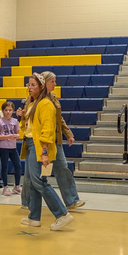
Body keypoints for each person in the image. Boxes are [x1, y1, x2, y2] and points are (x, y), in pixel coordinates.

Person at [19, 74, 73, 230]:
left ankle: (62, 214)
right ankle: (34, 217)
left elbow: (47, 131)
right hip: (30, 145)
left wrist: (44, 152)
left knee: (39, 181)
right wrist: (23, 118)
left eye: (33, 85)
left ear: (41, 87)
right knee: (31, 180)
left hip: (40, 147)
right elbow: (27, 128)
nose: (30, 87)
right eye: (28, 84)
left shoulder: (46, 104)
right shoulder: (32, 104)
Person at [40, 71, 86, 210]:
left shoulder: (53, 97)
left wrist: (68, 133)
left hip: (55, 139)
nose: (55, 84)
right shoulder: (35, 98)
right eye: (52, 81)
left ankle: (71, 200)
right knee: (40, 173)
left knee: (62, 168)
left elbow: (59, 119)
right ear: (45, 83)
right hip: (42, 140)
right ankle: (29, 202)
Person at [0, 101, 22, 196]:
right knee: (4, 167)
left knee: (18, 166)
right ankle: (5, 187)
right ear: (3, 111)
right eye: (6, 110)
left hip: (13, 147)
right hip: (3, 147)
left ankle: (17, 186)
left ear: (13, 111)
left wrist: (15, 136)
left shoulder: (15, 121)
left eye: (10, 110)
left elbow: (18, 134)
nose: (8, 112)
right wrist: (7, 136)